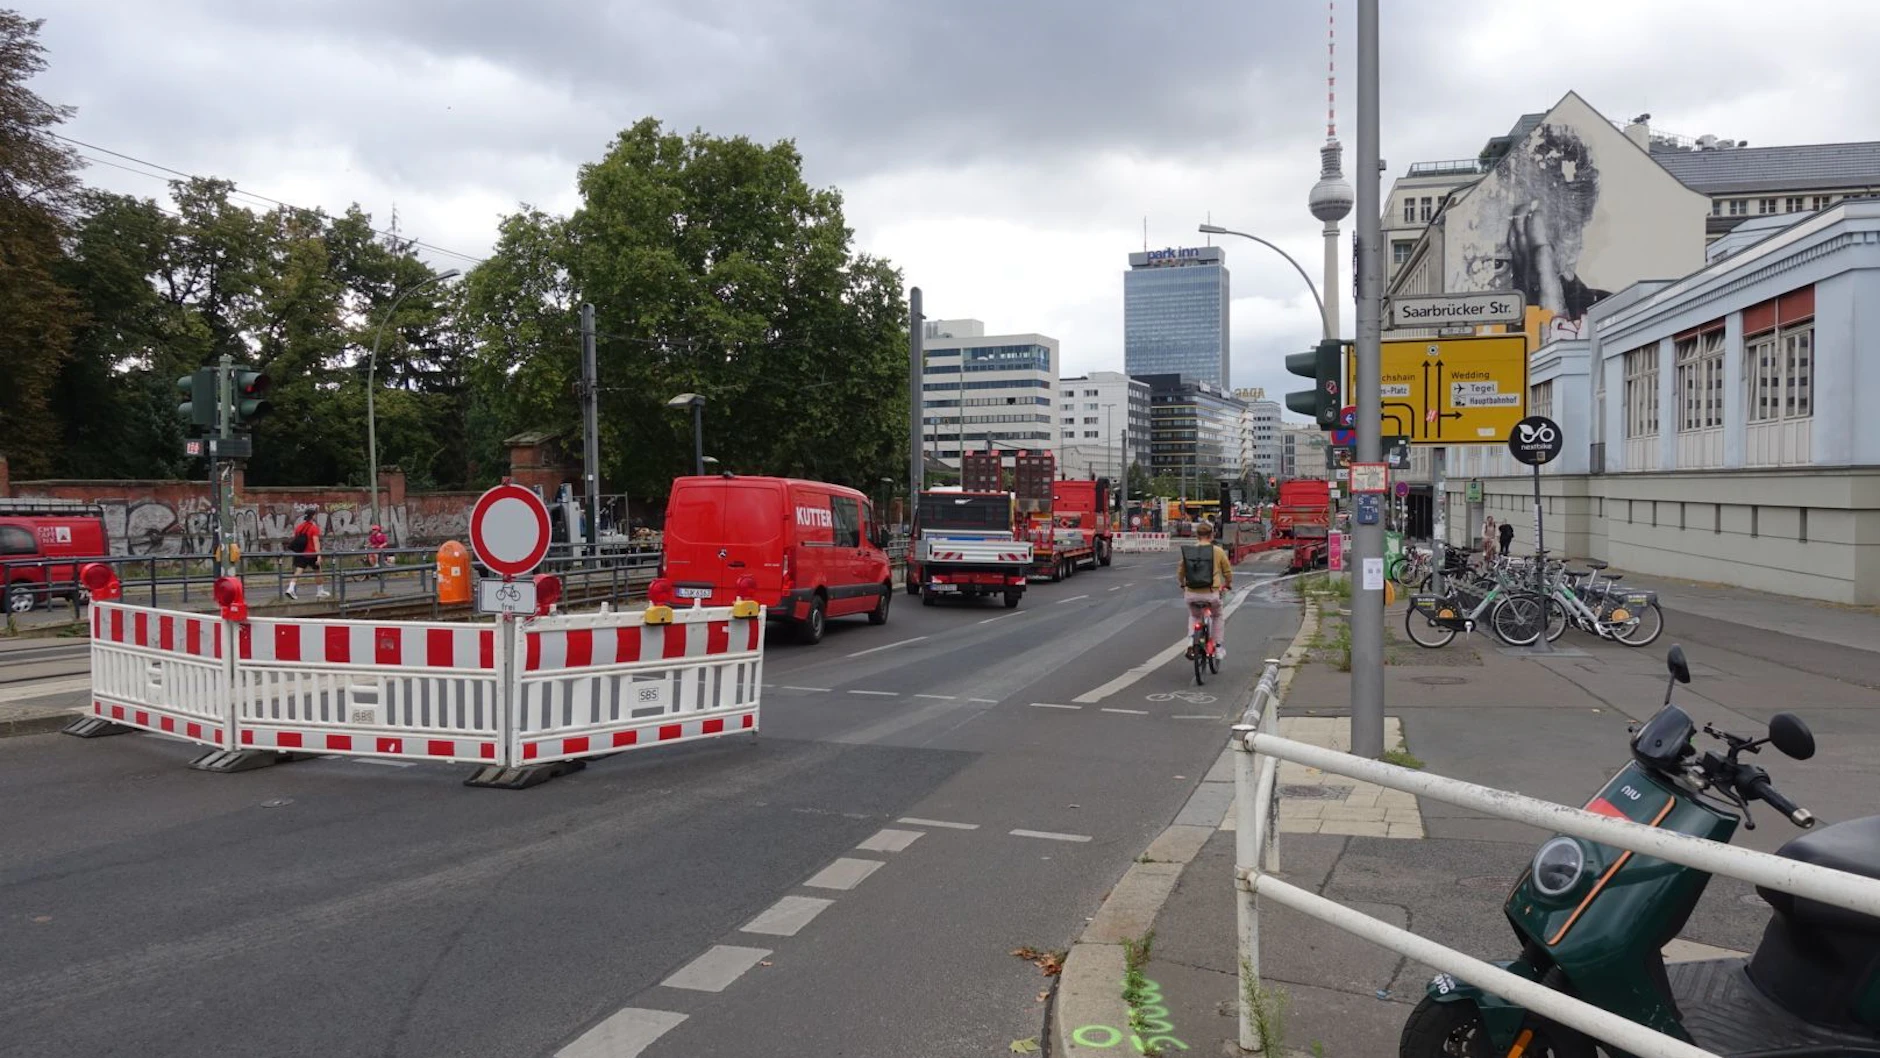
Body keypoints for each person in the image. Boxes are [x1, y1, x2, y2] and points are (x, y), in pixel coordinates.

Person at [1176, 520, 1234, 660]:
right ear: (1212, 535)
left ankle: (1191, 642)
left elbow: (1181, 571)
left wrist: (1182, 584)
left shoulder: (1190, 551)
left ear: (1197, 536)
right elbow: (1227, 571)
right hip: (1211, 594)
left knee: (1194, 616)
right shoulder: (1218, 551)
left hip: (1191, 594)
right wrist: (1228, 584)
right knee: (1217, 616)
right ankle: (1218, 647)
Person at [284, 510, 327, 599]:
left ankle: (290, 588)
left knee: (298, 571)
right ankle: (320, 591)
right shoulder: (314, 528)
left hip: (301, 553)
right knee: (318, 572)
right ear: (313, 516)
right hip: (312, 554)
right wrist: (319, 555)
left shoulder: (299, 527)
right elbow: (316, 542)